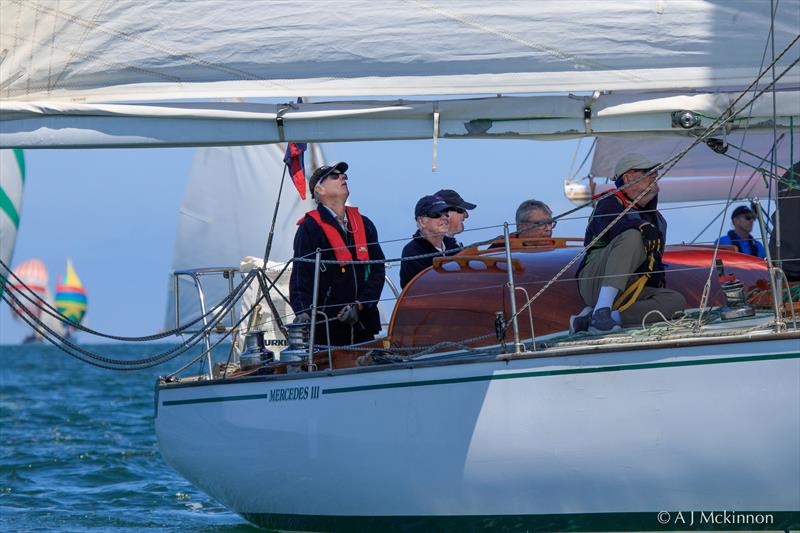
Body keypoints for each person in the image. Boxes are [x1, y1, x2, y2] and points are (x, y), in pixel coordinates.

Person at [572, 154, 686, 334]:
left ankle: (599, 319)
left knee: (676, 301)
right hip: (596, 280)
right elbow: (612, 227)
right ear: (628, 177)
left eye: (655, 172)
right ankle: (602, 310)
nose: (655, 175)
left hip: (629, 287)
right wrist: (640, 225)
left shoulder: (657, 219)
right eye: (648, 172)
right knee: (632, 236)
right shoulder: (609, 203)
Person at [289, 162, 386, 346]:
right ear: (319, 189)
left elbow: (377, 270)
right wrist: (302, 313)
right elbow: (301, 278)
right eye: (334, 176)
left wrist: (361, 304)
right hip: (327, 328)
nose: (342, 177)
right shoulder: (309, 228)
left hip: (363, 324)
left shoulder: (364, 224)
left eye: (344, 176)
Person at [400, 195, 459, 289]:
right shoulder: (412, 251)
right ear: (422, 221)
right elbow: (423, 288)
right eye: (437, 214)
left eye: (446, 213)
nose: (445, 218)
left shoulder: (454, 246)